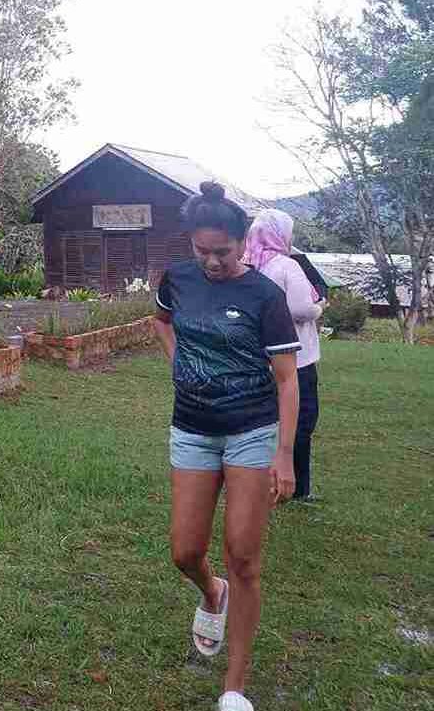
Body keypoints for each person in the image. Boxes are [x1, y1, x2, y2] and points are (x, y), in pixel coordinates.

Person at [151, 182, 300, 711]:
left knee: (244, 556)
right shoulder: (179, 278)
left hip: (251, 432)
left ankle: (234, 687)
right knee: (185, 551)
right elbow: (161, 321)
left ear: (243, 243)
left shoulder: (265, 296)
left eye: (223, 251)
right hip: (192, 429)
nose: (212, 261)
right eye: (203, 250)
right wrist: (179, 362)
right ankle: (212, 591)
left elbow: (287, 379)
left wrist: (284, 455)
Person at [244, 209, 324, 501]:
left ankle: (258, 481)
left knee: (263, 421)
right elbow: (301, 309)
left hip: (257, 358)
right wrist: (320, 307)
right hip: (296, 359)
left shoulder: (247, 265)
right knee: (301, 421)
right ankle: (297, 488)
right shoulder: (286, 265)